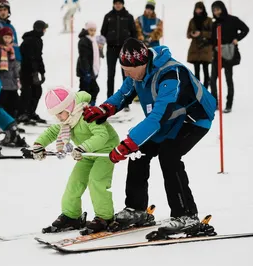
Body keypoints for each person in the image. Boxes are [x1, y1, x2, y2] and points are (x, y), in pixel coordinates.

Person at [83, 38, 217, 234]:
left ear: (142, 63)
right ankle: (136, 209)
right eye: (123, 69)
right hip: (169, 119)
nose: (125, 73)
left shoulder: (171, 74)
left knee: (169, 155)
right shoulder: (136, 73)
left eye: (128, 70)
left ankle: (186, 214)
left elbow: (158, 117)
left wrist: (128, 143)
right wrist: (105, 109)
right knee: (140, 153)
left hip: (193, 119)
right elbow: (123, 94)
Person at [32, 87, 119, 234]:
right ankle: (72, 216)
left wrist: (83, 148)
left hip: (105, 151)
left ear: (69, 107)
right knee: (75, 182)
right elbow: (53, 131)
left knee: (96, 180)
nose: (58, 117)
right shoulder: (68, 121)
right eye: (56, 114)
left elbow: (101, 136)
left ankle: (104, 217)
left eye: (60, 113)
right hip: (86, 154)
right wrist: (39, 145)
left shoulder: (88, 114)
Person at [210, 1, 249, 113]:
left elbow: (245, 29)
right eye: (214, 10)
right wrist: (214, 47)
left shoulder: (233, 20)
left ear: (222, 8)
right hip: (217, 54)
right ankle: (215, 104)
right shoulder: (215, 23)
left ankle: (228, 105)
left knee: (228, 79)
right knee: (213, 80)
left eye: (218, 9)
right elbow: (213, 39)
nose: (216, 12)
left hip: (229, 54)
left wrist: (237, 39)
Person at [101, 0, 137, 110]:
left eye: (120, 3)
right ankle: (109, 101)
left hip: (124, 50)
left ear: (123, 4)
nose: (118, 5)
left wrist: (132, 48)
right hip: (111, 49)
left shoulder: (129, 17)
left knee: (126, 76)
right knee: (110, 75)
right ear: (113, 4)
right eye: (116, 3)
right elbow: (103, 33)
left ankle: (125, 102)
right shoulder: (108, 16)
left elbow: (134, 33)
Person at [18, 20, 48, 125]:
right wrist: (34, 72)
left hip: (33, 71)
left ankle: (30, 112)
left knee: (37, 91)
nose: (45, 31)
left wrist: (42, 72)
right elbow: (29, 58)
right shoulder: (29, 40)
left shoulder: (38, 40)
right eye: (44, 28)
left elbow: (39, 57)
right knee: (27, 93)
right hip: (25, 71)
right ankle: (22, 114)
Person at [0, 27, 19, 118]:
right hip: (1, 82)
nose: (7, 40)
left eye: (9, 38)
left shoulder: (11, 49)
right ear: (1, 37)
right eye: (5, 37)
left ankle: (11, 123)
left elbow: (14, 66)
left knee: (14, 104)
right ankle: (0, 123)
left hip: (11, 82)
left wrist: (16, 78)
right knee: (2, 103)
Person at [186, 1, 213, 89]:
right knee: (196, 72)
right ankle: (198, 91)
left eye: (199, 9)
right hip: (195, 48)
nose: (198, 11)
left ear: (203, 9)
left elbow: (213, 34)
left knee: (206, 71)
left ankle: (205, 90)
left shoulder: (209, 20)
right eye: (196, 9)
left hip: (205, 47)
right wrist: (192, 34)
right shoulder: (192, 20)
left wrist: (201, 33)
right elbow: (187, 34)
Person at [0, 0, 21, 65]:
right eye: (0, 10)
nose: (3, 12)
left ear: (8, 11)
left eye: (5, 9)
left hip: (16, 60)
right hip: (5, 63)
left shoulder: (10, 26)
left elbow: (14, 44)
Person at [77, 21, 101, 106]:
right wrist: (87, 72)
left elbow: (95, 55)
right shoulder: (84, 40)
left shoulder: (92, 40)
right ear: (87, 30)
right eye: (91, 30)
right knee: (90, 90)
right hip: (85, 71)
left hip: (90, 70)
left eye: (94, 30)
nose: (93, 32)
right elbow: (84, 58)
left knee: (88, 90)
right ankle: (84, 106)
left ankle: (88, 106)